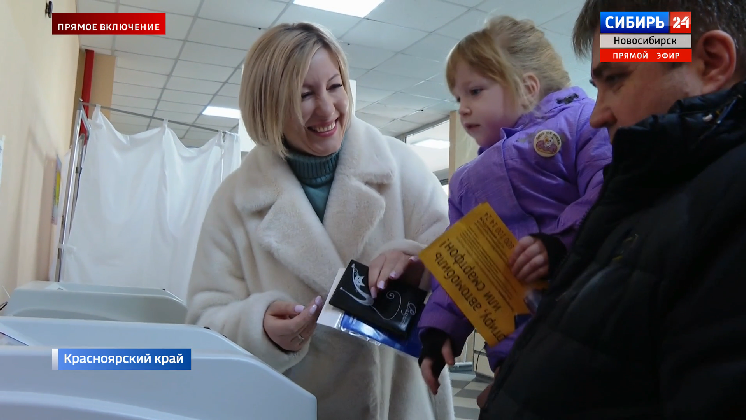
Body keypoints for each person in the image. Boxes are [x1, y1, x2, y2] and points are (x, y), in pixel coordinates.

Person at [478, 1, 746, 419]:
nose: (598, 115)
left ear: (711, 62)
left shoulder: (724, 209)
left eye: (616, 79)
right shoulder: (649, 197)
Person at [185, 22, 454, 420]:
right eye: (304, 95)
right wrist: (260, 331)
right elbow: (203, 324)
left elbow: (464, 267)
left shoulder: (400, 168)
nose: (328, 109)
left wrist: (422, 264)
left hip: (402, 405)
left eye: (335, 86)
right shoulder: (236, 201)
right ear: (268, 105)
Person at [415, 14, 612, 401]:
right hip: (514, 353)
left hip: (588, 329)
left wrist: (558, 243)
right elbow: (464, 265)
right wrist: (438, 329)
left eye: (475, 91)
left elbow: (606, 193)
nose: (463, 108)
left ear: (527, 87)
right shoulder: (465, 183)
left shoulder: (582, 122)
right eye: (458, 98)